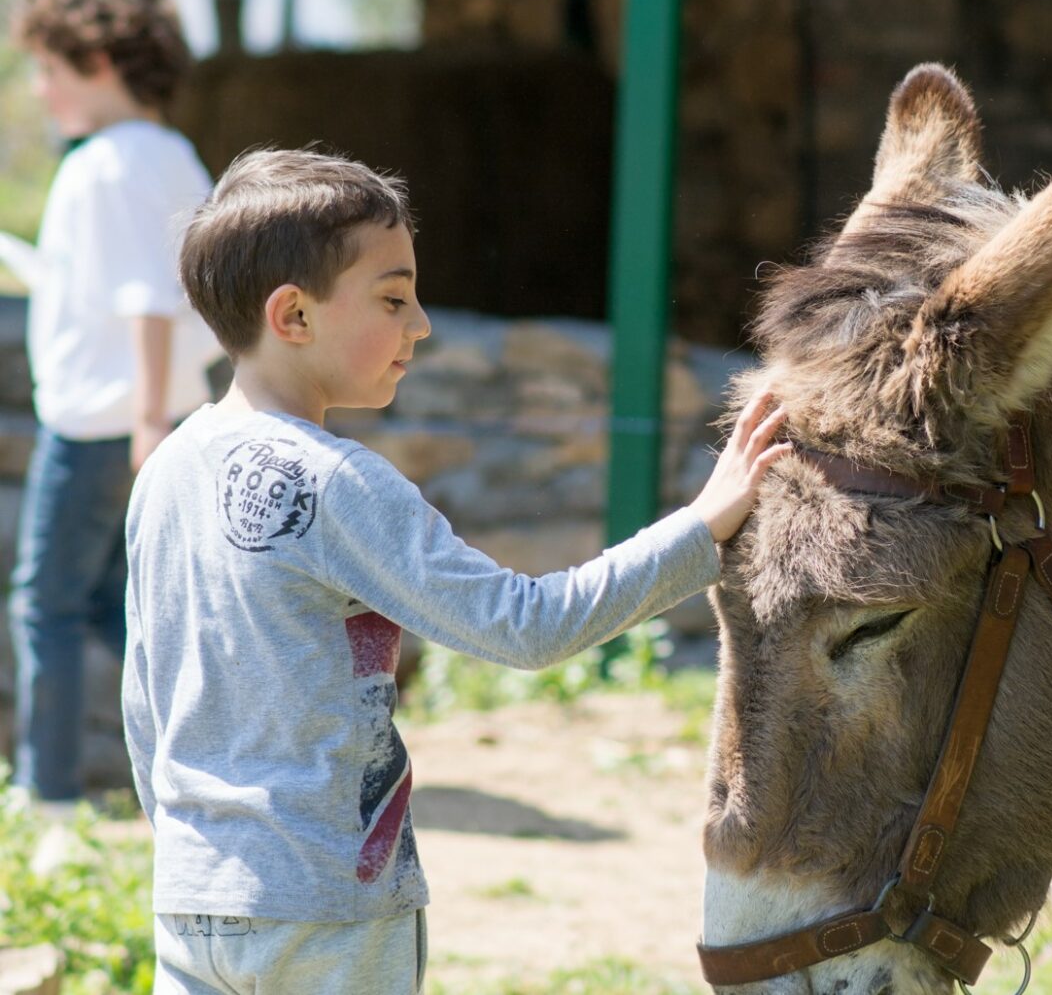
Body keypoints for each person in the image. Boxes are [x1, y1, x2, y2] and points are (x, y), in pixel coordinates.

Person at [120, 147, 790, 995]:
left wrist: (193, 855)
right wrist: (702, 527)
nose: (423, 324)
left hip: (190, 900)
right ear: (293, 316)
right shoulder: (339, 484)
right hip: (332, 911)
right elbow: (527, 627)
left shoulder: (167, 470)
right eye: (394, 298)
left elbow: (146, 704)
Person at [8, 0, 222, 806]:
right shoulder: (169, 152)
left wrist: (145, 422)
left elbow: (146, 299)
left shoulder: (106, 162)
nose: (37, 89)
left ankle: (47, 798)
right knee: (114, 605)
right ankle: (204, 761)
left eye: (49, 70)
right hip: (140, 415)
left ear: (96, 62)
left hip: (104, 425)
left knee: (46, 608)